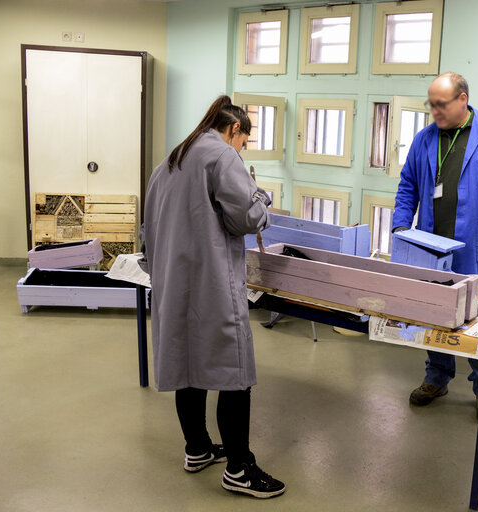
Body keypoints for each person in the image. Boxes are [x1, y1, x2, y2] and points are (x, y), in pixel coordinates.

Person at [139, 95, 285, 498]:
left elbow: (148, 229)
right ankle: (239, 469)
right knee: (234, 374)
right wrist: (262, 196)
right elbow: (247, 219)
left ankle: (198, 449)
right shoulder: (221, 156)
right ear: (234, 129)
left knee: (189, 364)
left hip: (172, 284)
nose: (241, 150)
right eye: (243, 142)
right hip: (212, 285)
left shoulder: (172, 158)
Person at [391, 72, 478, 423]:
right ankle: (437, 378)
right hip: (433, 247)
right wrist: (399, 225)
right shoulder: (425, 140)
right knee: (435, 316)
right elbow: (407, 184)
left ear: (463, 99)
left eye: (441, 104)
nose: (434, 111)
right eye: (431, 104)